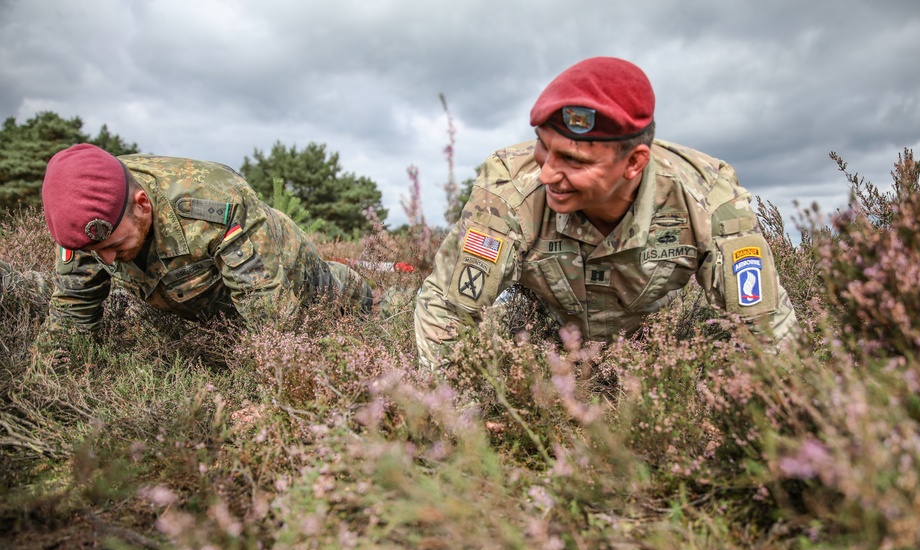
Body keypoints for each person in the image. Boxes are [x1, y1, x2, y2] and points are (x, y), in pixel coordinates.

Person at [414, 57, 798, 370]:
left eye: (573, 160)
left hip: (649, 350)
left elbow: (766, 326)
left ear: (634, 162)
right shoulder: (510, 188)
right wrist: (456, 420)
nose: (547, 172)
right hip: (540, 343)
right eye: (543, 147)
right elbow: (447, 308)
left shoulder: (706, 196)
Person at [37, 143, 372, 341]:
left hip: (303, 280)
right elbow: (72, 314)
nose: (108, 260)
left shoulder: (215, 204)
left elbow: (272, 323)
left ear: (142, 204)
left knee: (363, 310)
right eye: (96, 253)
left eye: (116, 245)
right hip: (212, 309)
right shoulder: (86, 216)